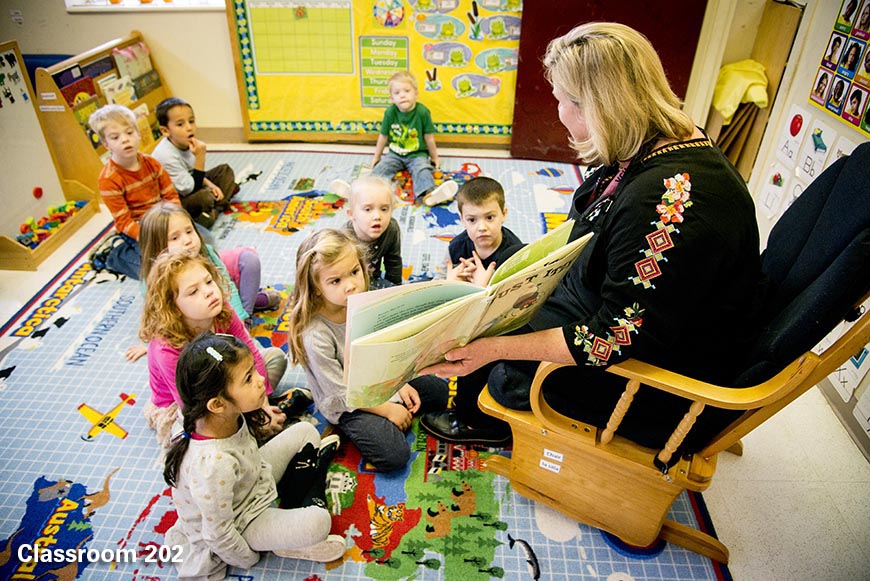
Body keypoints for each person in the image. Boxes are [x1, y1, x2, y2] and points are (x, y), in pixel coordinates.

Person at [419, 22, 763, 452]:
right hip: (633, 313)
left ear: (595, 107)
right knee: (490, 321)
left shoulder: (659, 202)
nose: (557, 110)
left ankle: (486, 424)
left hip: (662, 383)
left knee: (501, 370)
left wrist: (495, 349)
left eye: (561, 100)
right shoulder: (664, 139)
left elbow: (611, 339)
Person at [163, 333, 346, 579]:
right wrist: (249, 557)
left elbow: (250, 456)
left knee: (304, 431)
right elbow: (218, 534)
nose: (261, 380)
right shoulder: (213, 464)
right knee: (319, 522)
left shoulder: (222, 416)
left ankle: (307, 478)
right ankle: (310, 481)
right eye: (249, 378)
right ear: (217, 404)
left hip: (253, 478)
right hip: (244, 520)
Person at [287, 228, 448, 471]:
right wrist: (387, 410)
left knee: (439, 392)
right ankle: (380, 422)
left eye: (354, 272)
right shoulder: (315, 335)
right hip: (347, 402)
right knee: (395, 455)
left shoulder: (362, 302)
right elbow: (338, 393)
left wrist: (399, 384)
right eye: (335, 280)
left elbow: (380, 349)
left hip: (377, 380)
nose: (351, 285)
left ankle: (391, 413)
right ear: (316, 286)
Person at [139, 252, 286, 447]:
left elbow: (250, 353)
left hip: (229, 378)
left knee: (276, 358)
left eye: (208, 281)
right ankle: (247, 424)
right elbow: (191, 406)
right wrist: (252, 415)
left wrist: (263, 405)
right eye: (193, 292)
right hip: (187, 405)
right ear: (172, 307)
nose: (209, 292)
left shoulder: (221, 310)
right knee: (193, 443)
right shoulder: (166, 349)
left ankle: (250, 415)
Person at [88, 104, 180, 280]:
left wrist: (174, 223)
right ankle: (114, 255)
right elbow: (124, 221)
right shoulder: (108, 179)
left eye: (129, 133)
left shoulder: (152, 163)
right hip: (137, 230)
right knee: (157, 271)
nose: (125, 140)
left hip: (162, 220)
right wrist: (152, 237)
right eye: (115, 137)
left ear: (138, 134)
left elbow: (171, 196)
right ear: (106, 144)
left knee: (201, 245)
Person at [371, 71, 458, 206]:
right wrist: (377, 157)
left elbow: (429, 137)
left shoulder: (422, 112)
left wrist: (435, 157)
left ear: (416, 94)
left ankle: (427, 194)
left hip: (417, 154)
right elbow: (383, 136)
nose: (403, 95)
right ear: (392, 98)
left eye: (407, 91)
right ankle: (370, 190)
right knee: (382, 168)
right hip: (395, 154)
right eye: (397, 93)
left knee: (423, 169)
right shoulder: (390, 112)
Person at [152, 97, 238, 229]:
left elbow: (193, 173)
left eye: (191, 121)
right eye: (180, 124)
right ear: (165, 131)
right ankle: (215, 207)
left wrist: (211, 184)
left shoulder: (185, 141)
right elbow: (189, 189)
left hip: (191, 182)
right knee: (206, 196)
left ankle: (215, 210)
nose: (189, 128)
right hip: (175, 199)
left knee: (224, 171)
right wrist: (200, 157)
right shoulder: (165, 155)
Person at [443, 176, 524, 286]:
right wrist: (448, 285)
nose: (482, 227)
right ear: (462, 220)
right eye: (472, 220)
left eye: (489, 217)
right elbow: (437, 283)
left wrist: (482, 287)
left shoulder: (515, 255)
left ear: (503, 214)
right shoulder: (455, 247)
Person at [344, 175, 403, 288]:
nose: (377, 216)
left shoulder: (391, 229)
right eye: (368, 209)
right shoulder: (344, 238)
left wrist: (396, 289)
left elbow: (393, 262)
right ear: (351, 214)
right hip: (350, 285)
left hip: (374, 280)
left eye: (384, 209)